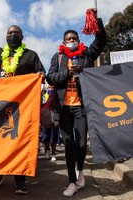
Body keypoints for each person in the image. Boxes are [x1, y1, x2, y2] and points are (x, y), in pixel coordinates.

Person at [0, 15, 45, 195]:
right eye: (10, 33)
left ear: (22, 37)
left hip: (22, 108)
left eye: (16, 33)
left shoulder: (30, 55)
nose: (13, 35)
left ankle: (20, 180)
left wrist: (40, 76)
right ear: (6, 37)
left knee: (18, 141)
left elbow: (41, 72)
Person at [46, 8, 107, 197]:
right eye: (68, 39)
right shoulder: (58, 57)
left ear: (79, 40)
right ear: (63, 42)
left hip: (82, 107)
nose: (72, 41)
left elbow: (101, 42)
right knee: (69, 144)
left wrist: (96, 22)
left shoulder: (87, 55)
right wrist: (67, 74)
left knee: (81, 145)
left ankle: (81, 173)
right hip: (63, 108)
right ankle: (71, 181)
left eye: (74, 38)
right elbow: (50, 78)